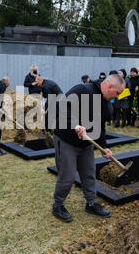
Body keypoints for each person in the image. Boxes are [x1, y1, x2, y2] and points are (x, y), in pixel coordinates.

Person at [51, 75, 125, 222]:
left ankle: (91, 203)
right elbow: (61, 106)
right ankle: (58, 205)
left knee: (89, 173)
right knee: (68, 176)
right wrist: (76, 125)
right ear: (110, 87)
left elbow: (100, 128)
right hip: (66, 140)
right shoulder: (83, 90)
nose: (117, 97)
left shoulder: (107, 105)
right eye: (117, 93)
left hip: (86, 144)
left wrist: (104, 147)